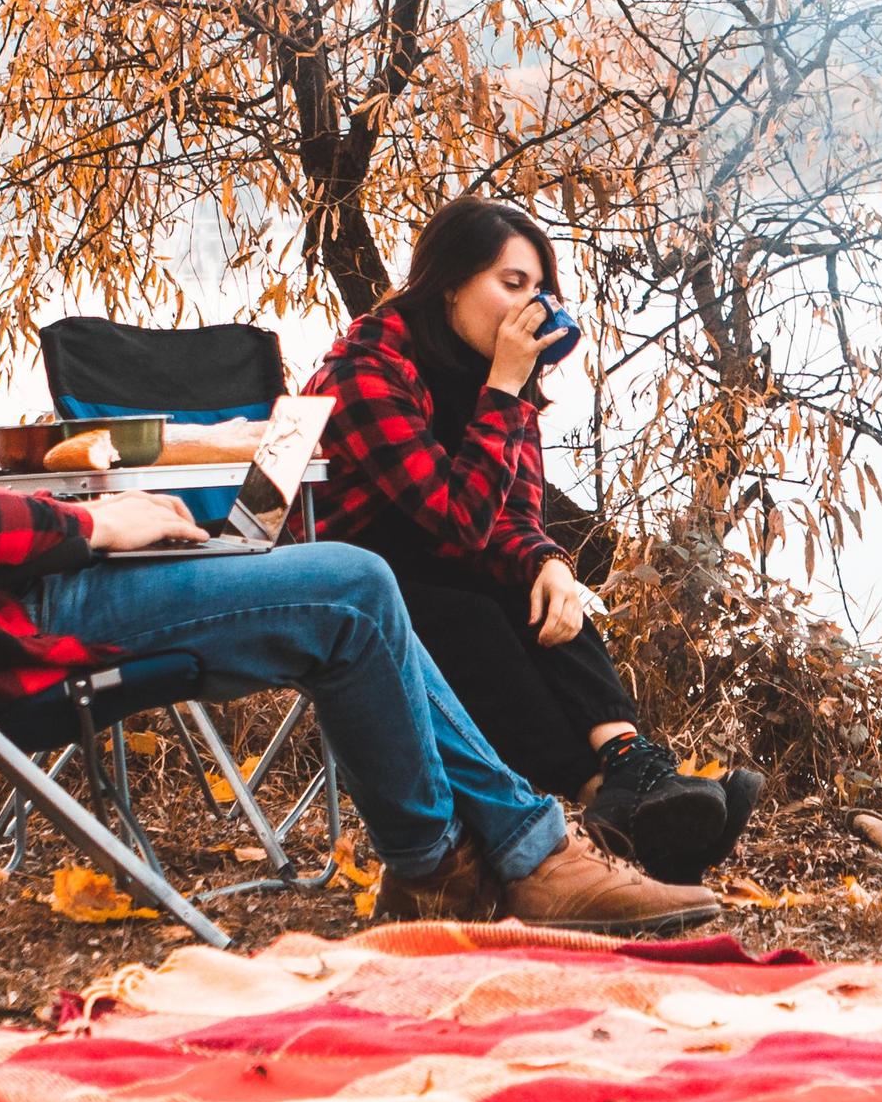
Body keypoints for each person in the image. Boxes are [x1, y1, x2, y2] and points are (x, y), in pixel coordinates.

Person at [0, 104, 721, 934]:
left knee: (350, 594)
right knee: (355, 583)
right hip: (3, 629)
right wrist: (103, 525)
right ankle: (498, 863)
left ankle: (461, 866)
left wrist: (104, 510)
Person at [306, 198, 765, 883]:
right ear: (449, 281)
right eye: (511, 284)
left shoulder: (496, 377)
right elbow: (455, 521)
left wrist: (551, 563)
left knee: (539, 588)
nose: (530, 306)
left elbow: (512, 518)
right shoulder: (367, 371)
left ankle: (630, 765)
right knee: (471, 615)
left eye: (540, 290)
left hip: (439, 562)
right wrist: (504, 388)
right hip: (349, 587)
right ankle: (610, 799)